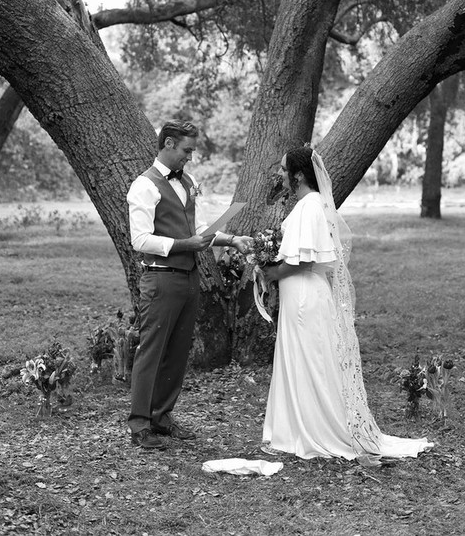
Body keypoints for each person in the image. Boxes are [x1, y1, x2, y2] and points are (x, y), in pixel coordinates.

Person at [261, 146, 433, 461]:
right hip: (303, 293)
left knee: (310, 361)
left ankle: (315, 430)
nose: (279, 174)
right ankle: (296, 427)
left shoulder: (309, 207)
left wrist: (271, 272)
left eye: (284, 170)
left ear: (298, 175)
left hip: (304, 295)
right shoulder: (311, 204)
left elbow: (304, 260)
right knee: (303, 359)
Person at [127, 120, 252, 449]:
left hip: (189, 277)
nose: (190, 157)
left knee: (178, 352)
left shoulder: (189, 182)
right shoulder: (144, 186)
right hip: (160, 278)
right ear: (168, 144)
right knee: (152, 351)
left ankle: (162, 416)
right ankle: (140, 425)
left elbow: (199, 230)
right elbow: (140, 240)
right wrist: (186, 245)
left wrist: (231, 239)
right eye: (186, 150)